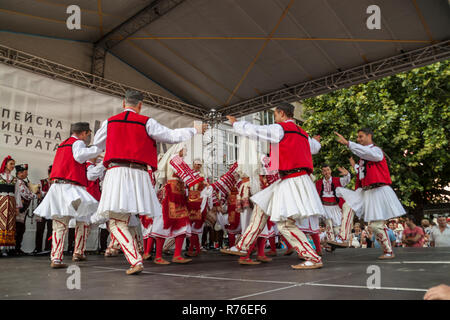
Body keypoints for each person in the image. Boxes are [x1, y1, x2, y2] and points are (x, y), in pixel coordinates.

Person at [91, 90, 207, 274]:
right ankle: (136, 252)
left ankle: (135, 258)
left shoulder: (109, 122)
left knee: (116, 221)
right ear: (140, 105)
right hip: (140, 175)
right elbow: (171, 136)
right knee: (132, 218)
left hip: (117, 172)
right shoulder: (147, 122)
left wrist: (89, 161)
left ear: (123, 103)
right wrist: (195, 130)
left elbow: (96, 145)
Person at [225, 102, 324, 270]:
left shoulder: (280, 129)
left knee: (285, 224)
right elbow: (315, 148)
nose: (275, 118)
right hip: (293, 179)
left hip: (292, 179)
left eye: (276, 115)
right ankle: (243, 245)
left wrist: (236, 123)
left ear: (282, 113)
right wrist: (315, 141)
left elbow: (256, 131)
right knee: (261, 207)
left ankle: (312, 257)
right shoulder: (303, 134)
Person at [34, 122, 102, 268]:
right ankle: (77, 251)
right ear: (84, 133)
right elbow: (79, 156)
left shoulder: (63, 144)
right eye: (88, 135)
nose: (87, 137)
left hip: (58, 188)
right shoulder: (78, 144)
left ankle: (57, 258)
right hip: (70, 189)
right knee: (82, 215)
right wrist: (99, 149)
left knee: (60, 223)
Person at [334, 128, 406, 259]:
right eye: (357, 137)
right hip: (366, 191)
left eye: (361, 137)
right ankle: (342, 238)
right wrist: (354, 166)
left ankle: (388, 251)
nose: (358, 139)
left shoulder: (377, 151)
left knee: (375, 225)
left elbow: (370, 155)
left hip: (378, 191)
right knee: (348, 205)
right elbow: (364, 171)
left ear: (369, 136)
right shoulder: (364, 156)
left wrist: (348, 144)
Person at [316, 164, 351, 245]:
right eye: (324, 171)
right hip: (324, 206)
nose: (326, 172)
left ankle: (336, 242)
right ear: (322, 172)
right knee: (328, 223)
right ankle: (330, 241)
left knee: (336, 227)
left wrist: (347, 174)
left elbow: (346, 180)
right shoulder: (318, 183)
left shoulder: (337, 180)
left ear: (330, 170)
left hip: (335, 206)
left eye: (328, 170)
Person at [14, 164, 38, 255]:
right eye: (25, 171)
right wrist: (36, 195)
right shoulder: (19, 182)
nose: (27, 173)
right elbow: (25, 194)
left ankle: (16, 248)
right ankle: (15, 249)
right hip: (19, 209)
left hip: (22, 209)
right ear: (20, 173)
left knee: (20, 228)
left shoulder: (21, 181)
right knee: (18, 229)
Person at [0, 156, 18, 256]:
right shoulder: (0, 176)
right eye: (11, 164)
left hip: (11, 203)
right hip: (1, 201)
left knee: (9, 224)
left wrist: (17, 207)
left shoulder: (14, 179)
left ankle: (5, 248)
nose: (13, 166)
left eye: (13, 164)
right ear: (5, 164)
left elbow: (17, 194)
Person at [33, 165, 53, 255]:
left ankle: (48, 248)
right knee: (40, 229)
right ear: (49, 173)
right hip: (41, 209)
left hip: (52, 210)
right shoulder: (41, 182)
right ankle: (38, 248)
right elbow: (38, 193)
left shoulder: (57, 184)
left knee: (51, 230)